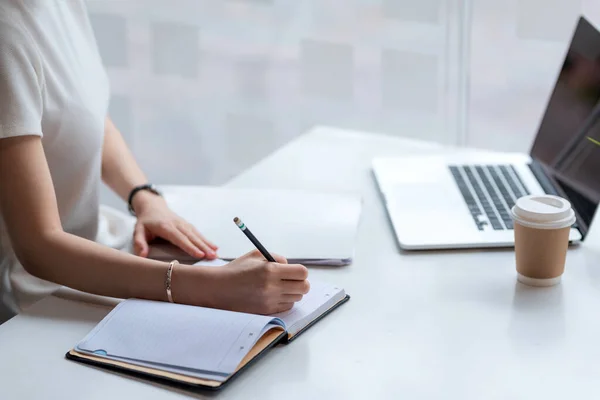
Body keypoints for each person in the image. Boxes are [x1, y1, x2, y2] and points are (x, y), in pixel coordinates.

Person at [0, 0, 309, 320]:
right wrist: (210, 287)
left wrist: (144, 197)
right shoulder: (6, 33)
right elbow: (39, 246)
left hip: (101, 252)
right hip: (41, 295)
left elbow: (79, 115)